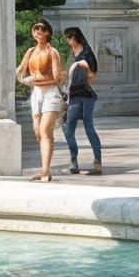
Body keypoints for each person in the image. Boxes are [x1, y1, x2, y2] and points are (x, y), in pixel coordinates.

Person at [17, 19, 65, 181]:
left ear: (48, 33)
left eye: (42, 29)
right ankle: (45, 169)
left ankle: (45, 170)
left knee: (45, 131)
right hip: (36, 94)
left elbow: (57, 79)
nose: (38, 31)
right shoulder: (30, 52)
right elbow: (22, 74)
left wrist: (36, 81)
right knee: (38, 133)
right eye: (35, 28)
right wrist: (24, 79)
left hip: (50, 93)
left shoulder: (53, 52)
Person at [61, 26, 103, 175]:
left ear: (76, 37)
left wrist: (82, 67)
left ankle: (97, 161)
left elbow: (93, 74)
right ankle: (74, 161)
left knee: (89, 127)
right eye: (67, 37)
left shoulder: (87, 52)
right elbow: (68, 72)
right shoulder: (71, 54)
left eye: (70, 37)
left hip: (84, 95)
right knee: (67, 127)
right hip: (72, 95)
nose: (68, 40)